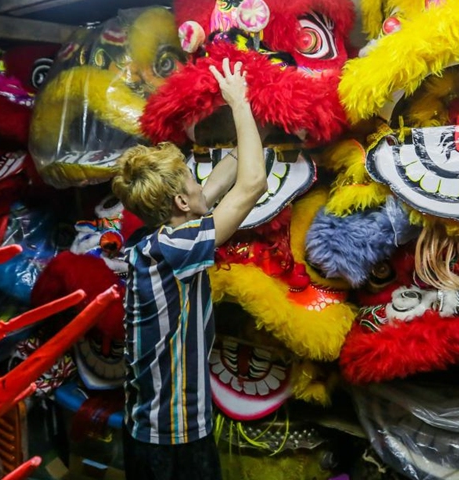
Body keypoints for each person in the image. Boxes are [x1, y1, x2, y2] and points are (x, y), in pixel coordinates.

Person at [111, 58, 266, 480]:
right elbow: (251, 186)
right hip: (171, 434)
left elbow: (224, 177)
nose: (200, 184)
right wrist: (238, 101)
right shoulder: (175, 247)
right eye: (190, 182)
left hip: (149, 426)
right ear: (181, 203)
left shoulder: (159, 235)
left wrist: (255, 108)